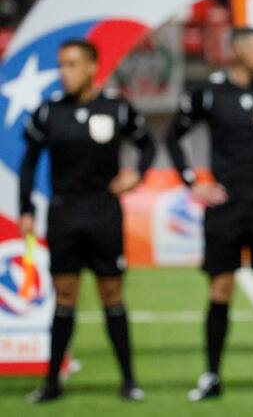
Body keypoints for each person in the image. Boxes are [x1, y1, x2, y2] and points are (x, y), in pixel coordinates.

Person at [165, 27, 253, 401]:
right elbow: (173, 136)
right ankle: (212, 375)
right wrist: (192, 182)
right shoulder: (209, 92)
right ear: (239, 51)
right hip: (225, 206)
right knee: (220, 290)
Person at [19, 38, 155, 403]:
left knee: (112, 294)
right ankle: (52, 382)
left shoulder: (116, 108)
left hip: (104, 211)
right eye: (62, 64)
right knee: (64, 296)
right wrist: (26, 209)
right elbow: (29, 162)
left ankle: (129, 380)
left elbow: (148, 145)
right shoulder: (48, 112)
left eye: (73, 64)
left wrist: (137, 173)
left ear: (93, 67)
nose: (65, 72)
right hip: (64, 212)